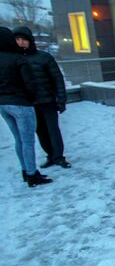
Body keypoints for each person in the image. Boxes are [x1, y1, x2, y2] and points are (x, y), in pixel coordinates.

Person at [0, 26, 52, 187]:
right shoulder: (18, 59)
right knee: (28, 141)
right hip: (21, 104)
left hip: (3, 104)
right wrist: (31, 98)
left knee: (19, 140)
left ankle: (25, 170)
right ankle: (32, 174)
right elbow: (30, 83)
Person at [13, 26, 71, 168]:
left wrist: (61, 99)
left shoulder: (43, 57)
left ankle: (58, 156)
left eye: (24, 39)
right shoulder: (15, 59)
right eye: (18, 40)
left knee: (53, 129)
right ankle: (50, 155)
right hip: (29, 102)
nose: (21, 43)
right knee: (40, 131)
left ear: (30, 40)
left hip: (47, 100)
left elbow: (57, 79)